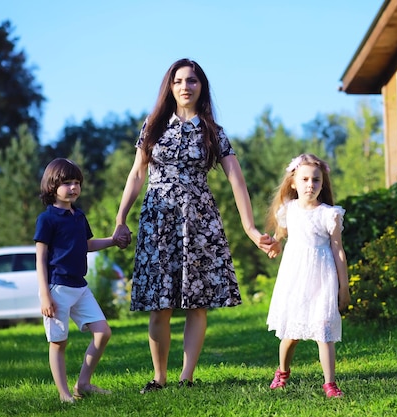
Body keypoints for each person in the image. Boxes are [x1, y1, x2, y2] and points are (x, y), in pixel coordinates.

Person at [112, 58, 273, 393]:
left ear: (202, 87)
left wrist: (251, 229)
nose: (186, 86)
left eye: (193, 81)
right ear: (170, 88)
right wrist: (120, 217)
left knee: (196, 302)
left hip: (198, 221)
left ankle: (186, 378)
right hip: (158, 221)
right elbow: (138, 173)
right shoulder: (153, 125)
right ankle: (159, 378)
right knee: (160, 304)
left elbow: (236, 180)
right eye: (179, 81)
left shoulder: (213, 131)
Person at [34, 158, 121, 403]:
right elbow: (40, 258)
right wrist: (45, 295)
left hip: (80, 287)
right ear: (52, 186)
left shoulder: (78, 216)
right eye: (67, 183)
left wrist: (113, 240)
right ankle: (64, 394)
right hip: (57, 288)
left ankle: (83, 384)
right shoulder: (47, 219)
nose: (73, 188)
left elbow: (86, 245)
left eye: (77, 183)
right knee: (59, 343)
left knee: (103, 332)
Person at [265, 153, 350, 398]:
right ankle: (282, 371)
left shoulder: (329, 214)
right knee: (292, 335)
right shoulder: (288, 210)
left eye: (315, 180)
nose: (310, 185)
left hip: (323, 276)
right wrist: (277, 243)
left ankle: (330, 384)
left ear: (322, 184)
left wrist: (343, 287)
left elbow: (338, 250)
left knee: (323, 329)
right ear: (293, 182)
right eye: (304, 179)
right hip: (295, 277)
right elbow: (282, 232)